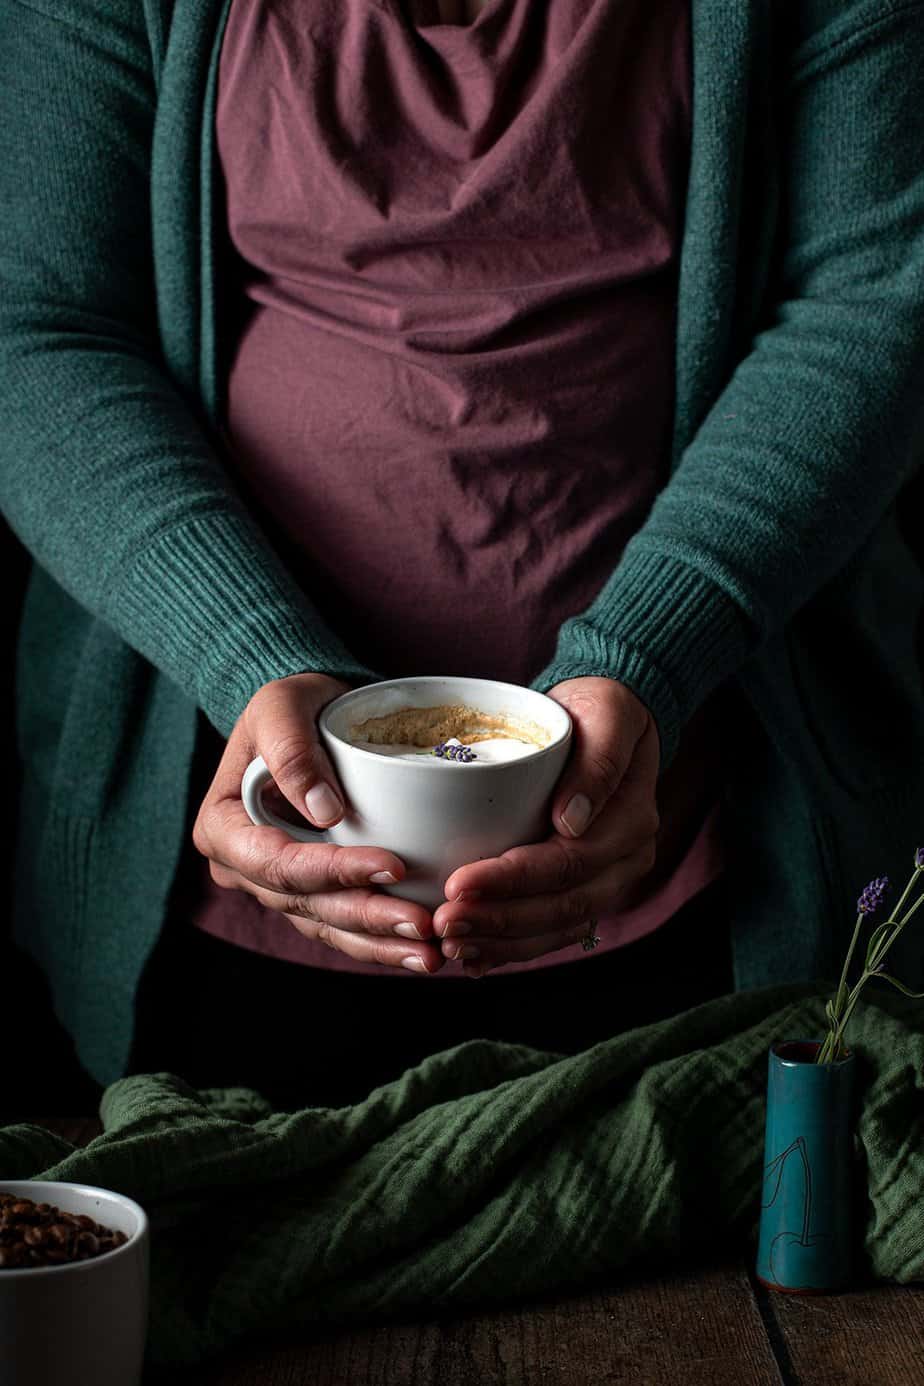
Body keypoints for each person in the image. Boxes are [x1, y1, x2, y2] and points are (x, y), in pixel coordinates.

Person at [1, 0, 922, 1110]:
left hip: (705, 852)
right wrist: (247, 655)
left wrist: (646, 659)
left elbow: (876, 305)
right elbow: (34, 327)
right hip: (228, 863)